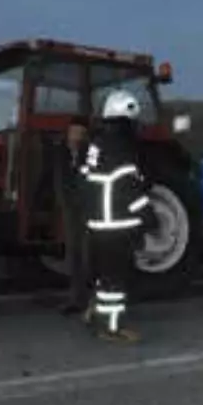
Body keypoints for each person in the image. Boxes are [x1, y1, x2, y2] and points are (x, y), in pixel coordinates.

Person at [79, 89, 153, 342]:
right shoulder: (122, 147)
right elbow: (129, 188)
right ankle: (111, 328)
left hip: (97, 222)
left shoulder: (97, 143)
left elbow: (87, 180)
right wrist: (149, 215)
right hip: (117, 224)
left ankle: (93, 311)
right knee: (116, 279)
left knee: (104, 273)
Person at [55, 115, 93, 315]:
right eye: (73, 132)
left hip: (88, 209)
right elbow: (59, 180)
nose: (75, 136)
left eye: (79, 133)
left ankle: (91, 300)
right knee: (74, 254)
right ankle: (76, 299)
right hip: (70, 210)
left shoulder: (90, 154)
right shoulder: (60, 152)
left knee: (89, 254)